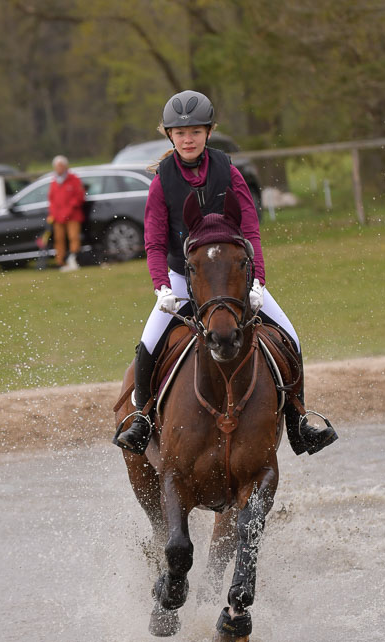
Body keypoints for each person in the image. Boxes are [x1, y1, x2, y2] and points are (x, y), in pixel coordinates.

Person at [114, 90, 338, 456]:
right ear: (169, 135)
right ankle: (142, 419)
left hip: (235, 280)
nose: (188, 139)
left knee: (290, 338)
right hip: (184, 282)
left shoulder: (229, 171)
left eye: (196, 132)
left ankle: (298, 420)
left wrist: (258, 281)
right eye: (180, 133)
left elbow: (251, 231)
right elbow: (154, 243)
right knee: (148, 346)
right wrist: (162, 288)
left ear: (208, 132)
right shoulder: (161, 182)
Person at [47, 155, 85, 271]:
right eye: (57, 167)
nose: (59, 169)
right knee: (59, 239)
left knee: (73, 237)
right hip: (58, 218)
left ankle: (73, 258)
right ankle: (60, 261)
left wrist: (67, 212)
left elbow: (78, 198)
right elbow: (52, 200)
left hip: (72, 216)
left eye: (61, 166)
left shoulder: (74, 179)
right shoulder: (54, 182)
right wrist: (54, 214)